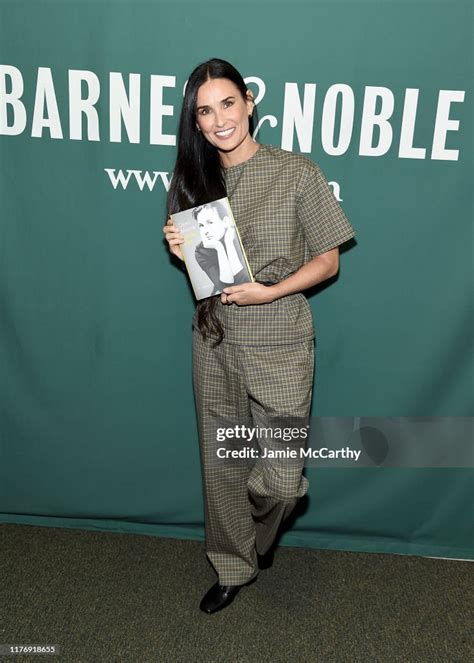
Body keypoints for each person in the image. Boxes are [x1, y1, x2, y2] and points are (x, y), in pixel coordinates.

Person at [163, 58, 355, 614]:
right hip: (216, 338)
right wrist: (183, 251)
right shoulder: (193, 180)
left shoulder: (297, 172)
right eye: (205, 111)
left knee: (282, 480)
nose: (219, 119)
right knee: (220, 464)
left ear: (250, 103)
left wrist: (269, 293)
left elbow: (328, 263)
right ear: (196, 124)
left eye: (228, 103)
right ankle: (233, 566)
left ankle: (255, 538)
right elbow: (209, 269)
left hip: (281, 339)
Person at [193, 201, 250, 295]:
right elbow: (226, 289)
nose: (205, 231)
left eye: (210, 222)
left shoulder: (240, 232)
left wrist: (229, 243)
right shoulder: (200, 251)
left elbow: (245, 282)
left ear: (225, 222)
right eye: (201, 225)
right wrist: (219, 248)